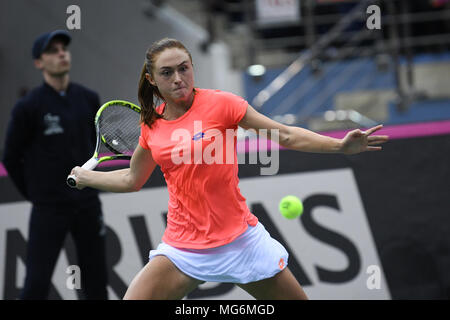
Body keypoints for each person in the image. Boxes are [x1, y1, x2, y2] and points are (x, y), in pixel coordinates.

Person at [69, 38, 389, 300]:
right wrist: (86, 177)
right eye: (167, 73)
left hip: (241, 242)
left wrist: (339, 146)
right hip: (183, 248)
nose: (178, 79)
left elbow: (285, 133)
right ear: (152, 79)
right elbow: (131, 178)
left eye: (184, 68)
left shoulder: (222, 104)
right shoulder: (151, 126)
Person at [2, 30, 108, 300]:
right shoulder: (28, 107)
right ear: (39, 62)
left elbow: (96, 146)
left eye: (64, 48)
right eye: (53, 51)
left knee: (96, 282)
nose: (62, 53)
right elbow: (11, 157)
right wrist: (37, 194)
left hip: (87, 204)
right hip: (49, 208)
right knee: (36, 284)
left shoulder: (88, 98)